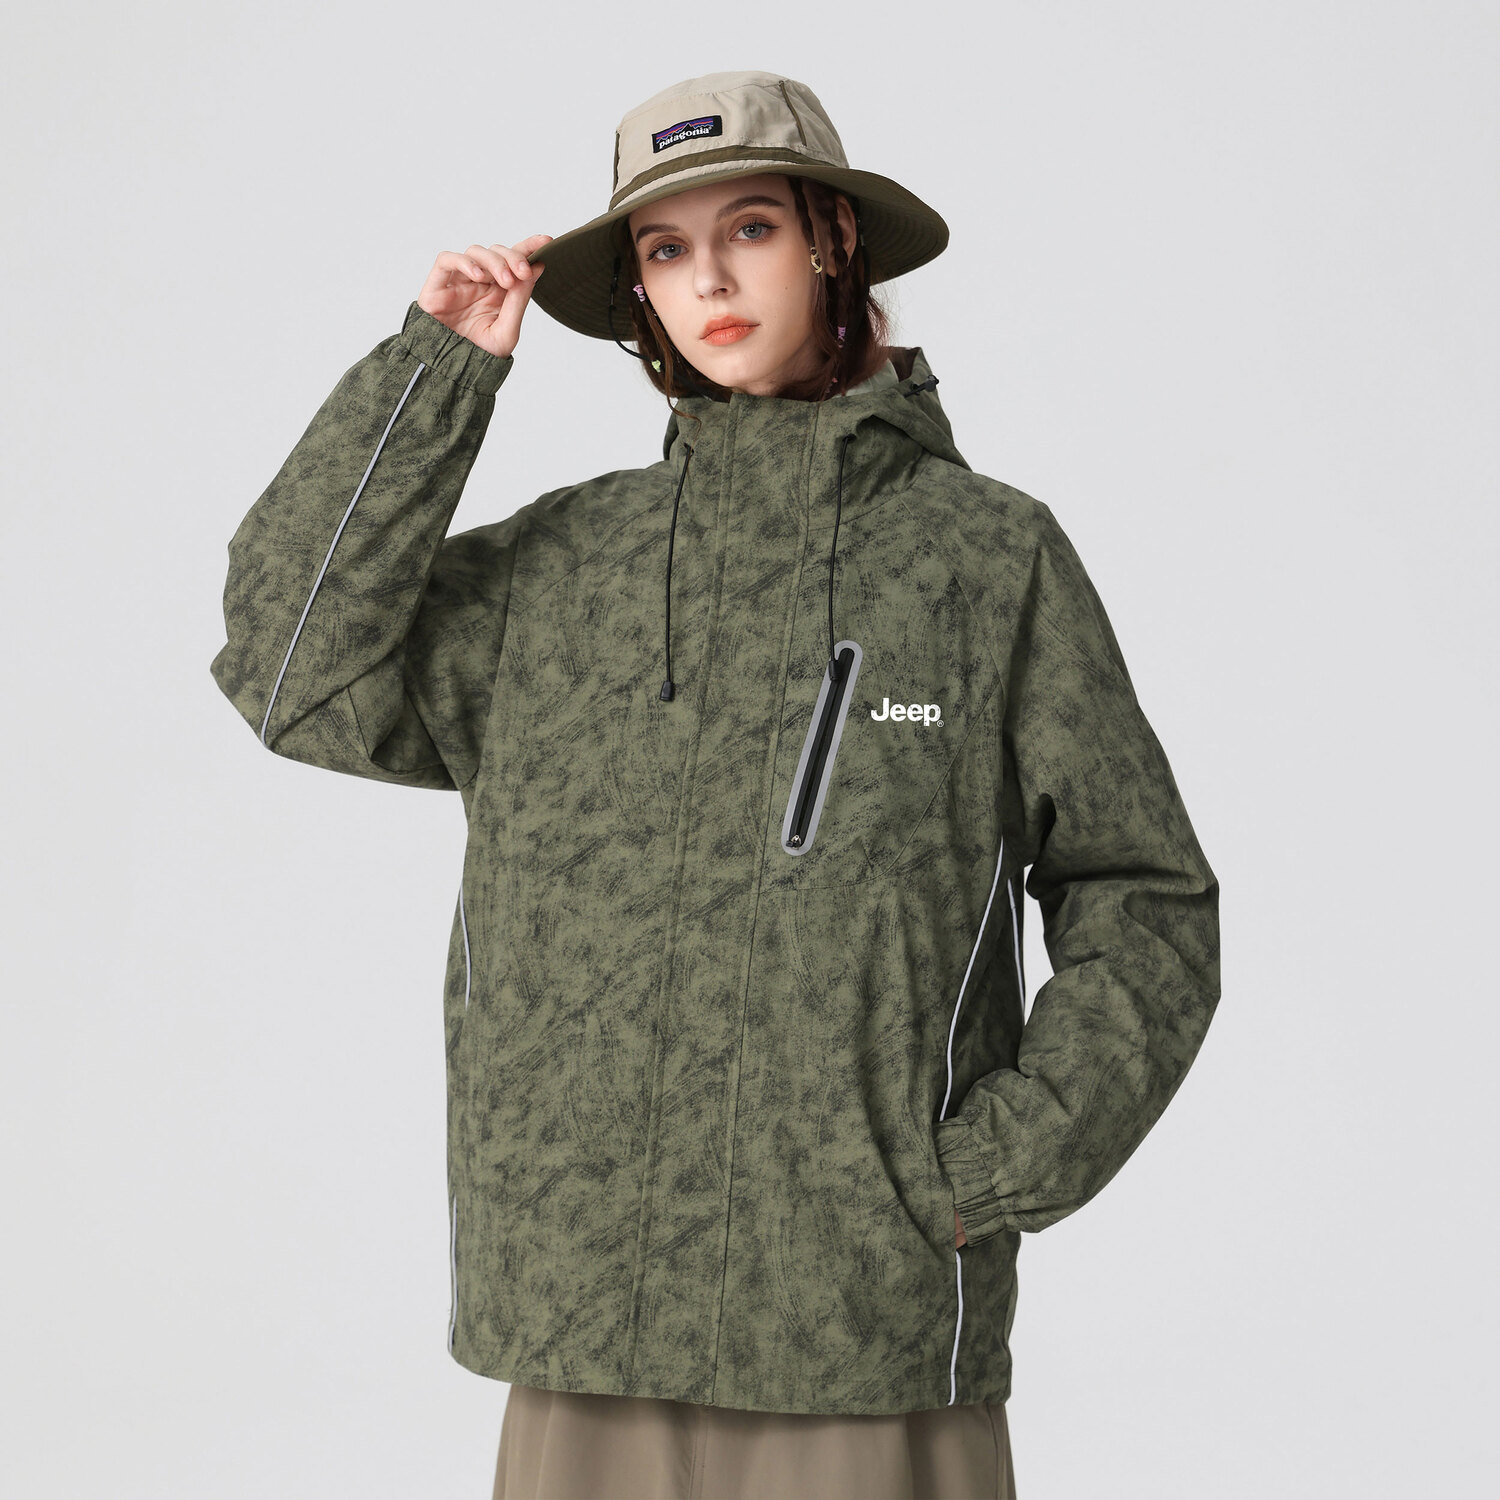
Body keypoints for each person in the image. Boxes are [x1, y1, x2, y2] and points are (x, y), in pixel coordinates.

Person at [209, 69, 1221, 1500]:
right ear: (638, 291)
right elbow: (290, 665)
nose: (711, 280)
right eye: (666, 249)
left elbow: (1145, 896)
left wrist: (996, 1168)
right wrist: (435, 377)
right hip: (584, 1327)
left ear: (833, 241)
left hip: (857, 1323)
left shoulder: (986, 562)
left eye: (750, 228)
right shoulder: (560, 569)